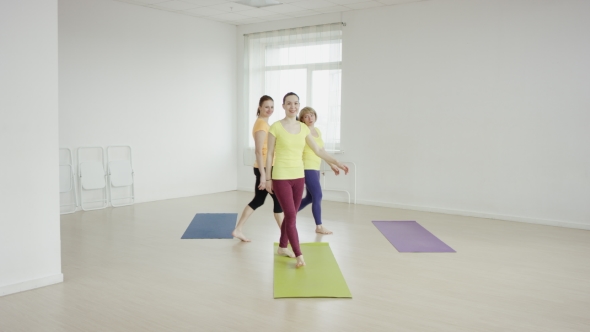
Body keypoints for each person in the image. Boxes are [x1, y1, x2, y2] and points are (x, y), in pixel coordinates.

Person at [266, 92, 348, 268]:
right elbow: (270, 154)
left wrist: (337, 163)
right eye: (289, 103)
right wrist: (267, 178)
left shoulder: (303, 129)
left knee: (291, 215)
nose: (292, 106)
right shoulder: (275, 127)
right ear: (283, 106)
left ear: (298, 105)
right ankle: (299, 255)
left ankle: (282, 247)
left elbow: (319, 150)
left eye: (296, 103)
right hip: (281, 176)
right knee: (291, 216)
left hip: (299, 176)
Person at [232, 95, 284, 242]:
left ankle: (238, 229)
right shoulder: (261, 125)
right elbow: (258, 151)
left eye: (272, 107)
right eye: (266, 106)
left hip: (268, 168)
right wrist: (263, 175)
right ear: (260, 107)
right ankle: (286, 236)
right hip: (266, 169)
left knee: (259, 200)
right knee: (278, 201)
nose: (270, 109)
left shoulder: (264, 123)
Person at [298, 107, 342, 235]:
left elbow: (321, 150)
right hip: (307, 167)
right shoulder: (303, 131)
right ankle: (319, 226)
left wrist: (331, 164)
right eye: (306, 116)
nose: (310, 118)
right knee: (318, 195)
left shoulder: (317, 131)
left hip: (315, 167)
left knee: (310, 197)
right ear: (302, 119)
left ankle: (289, 214)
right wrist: (336, 163)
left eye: (312, 115)